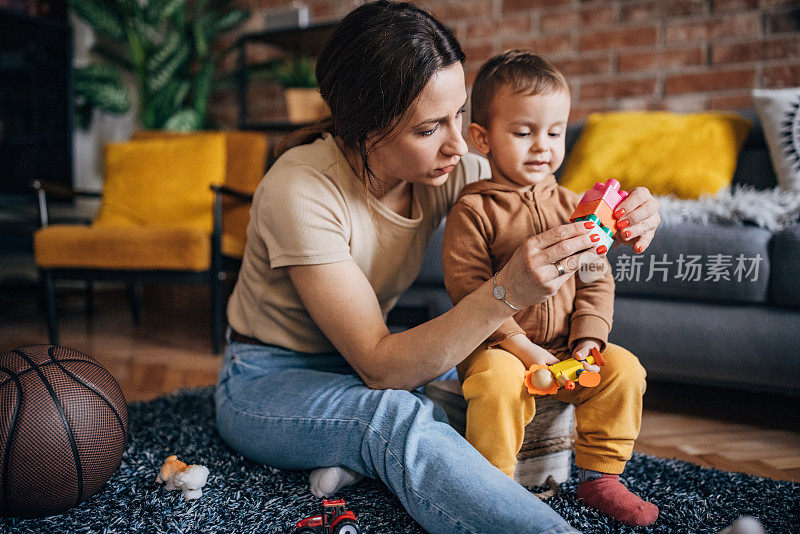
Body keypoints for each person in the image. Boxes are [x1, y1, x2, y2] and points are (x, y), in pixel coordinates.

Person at [214, 2, 660, 533]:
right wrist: (506, 292)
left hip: (373, 358)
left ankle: (352, 462)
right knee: (395, 420)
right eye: (428, 129)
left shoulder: (448, 166)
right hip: (270, 374)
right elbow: (381, 369)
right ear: (365, 131)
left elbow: (537, 196)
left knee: (491, 382)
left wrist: (625, 212)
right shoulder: (300, 190)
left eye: (459, 115)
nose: (456, 142)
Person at [442, 51, 657, 527]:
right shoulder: (474, 211)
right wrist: (521, 349)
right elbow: (469, 291)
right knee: (496, 382)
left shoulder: (576, 208)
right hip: (499, 347)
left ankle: (601, 478)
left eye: (555, 133)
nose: (542, 147)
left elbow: (595, 280)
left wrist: (587, 343)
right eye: (523, 133)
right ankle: (493, 486)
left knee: (625, 370)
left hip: (566, 346)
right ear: (482, 138)